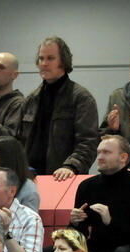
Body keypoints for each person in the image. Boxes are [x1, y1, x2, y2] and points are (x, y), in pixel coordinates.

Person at [19, 36, 100, 178]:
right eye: (41, 58)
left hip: (64, 177)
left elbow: (89, 141)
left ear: (63, 61)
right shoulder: (31, 100)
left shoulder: (81, 98)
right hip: (30, 178)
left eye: (50, 58)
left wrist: (71, 166)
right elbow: (19, 141)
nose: (44, 63)